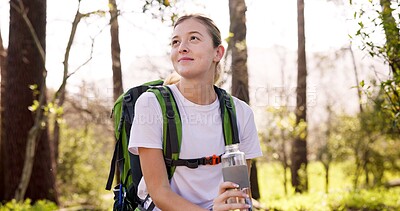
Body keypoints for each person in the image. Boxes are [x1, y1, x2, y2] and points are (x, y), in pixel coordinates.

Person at [128, 14, 262, 211]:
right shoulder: (151, 104)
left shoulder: (241, 113)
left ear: (218, 53)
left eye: (193, 38)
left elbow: (240, 192)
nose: (182, 46)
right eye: (175, 41)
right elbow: (159, 193)